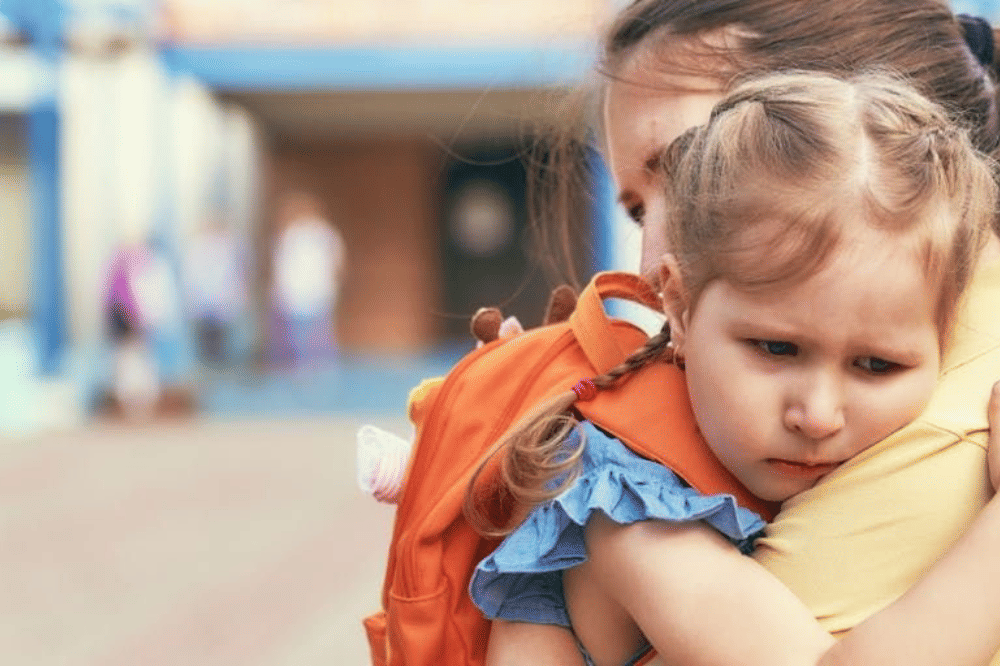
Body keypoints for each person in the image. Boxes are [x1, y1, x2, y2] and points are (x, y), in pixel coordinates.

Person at [470, 70, 1000, 666]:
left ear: (948, 341)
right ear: (680, 304)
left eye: (876, 365)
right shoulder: (628, 509)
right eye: (775, 349)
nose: (818, 415)